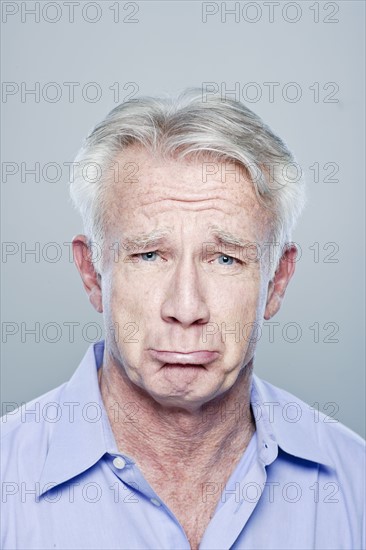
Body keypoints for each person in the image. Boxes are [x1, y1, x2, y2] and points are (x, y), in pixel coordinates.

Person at [1, 89, 364, 550]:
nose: (186, 308)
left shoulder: (356, 485)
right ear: (92, 273)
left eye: (225, 259)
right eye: (149, 255)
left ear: (277, 281)